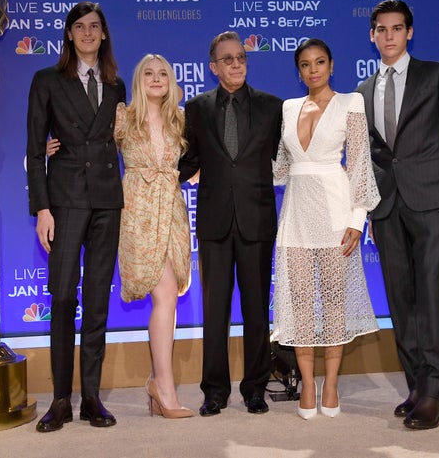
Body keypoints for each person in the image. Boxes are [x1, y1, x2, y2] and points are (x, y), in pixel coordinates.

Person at [355, 0, 439, 430]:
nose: (389, 35)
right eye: (381, 29)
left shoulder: (437, 73)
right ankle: (415, 385)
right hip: (387, 207)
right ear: (372, 35)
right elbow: (370, 157)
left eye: (397, 28)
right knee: (400, 300)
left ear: (409, 32)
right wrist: (369, 208)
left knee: (429, 297)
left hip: (432, 201)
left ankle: (433, 394)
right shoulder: (363, 90)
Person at [47, 54, 194, 419]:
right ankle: (164, 388)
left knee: (170, 294)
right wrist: (56, 145)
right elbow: (87, 141)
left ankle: (158, 384)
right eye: (149, 73)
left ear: (172, 81)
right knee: (163, 294)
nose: (156, 79)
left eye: (163, 73)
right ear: (138, 80)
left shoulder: (182, 119)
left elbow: (199, 158)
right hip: (135, 212)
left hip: (172, 209)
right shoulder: (123, 117)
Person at [26, 1, 125, 431]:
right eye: (79, 27)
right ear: (68, 34)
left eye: (95, 27)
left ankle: (91, 399)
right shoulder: (46, 80)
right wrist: (42, 208)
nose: (87, 33)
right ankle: (61, 401)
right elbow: (34, 147)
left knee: (98, 302)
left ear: (103, 35)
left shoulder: (117, 85)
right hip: (64, 201)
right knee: (64, 297)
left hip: (107, 201)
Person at [272, 38, 381, 419]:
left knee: (334, 302)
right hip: (295, 217)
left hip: (337, 213)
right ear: (299, 71)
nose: (313, 69)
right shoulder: (287, 109)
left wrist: (357, 220)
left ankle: (331, 384)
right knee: (299, 304)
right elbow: (281, 167)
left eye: (320, 62)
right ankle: (307, 384)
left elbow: (360, 165)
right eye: (305, 64)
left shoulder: (351, 103)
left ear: (331, 66)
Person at [179, 31, 283, 417]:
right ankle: (215, 390)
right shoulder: (196, 108)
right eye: (227, 59)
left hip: (257, 220)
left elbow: (286, 160)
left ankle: (255, 387)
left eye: (241, 57)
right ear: (213, 67)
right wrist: (150, 174)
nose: (236, 64)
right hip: (214, 223)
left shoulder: (273, 108)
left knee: (257, 310)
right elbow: (187, 163)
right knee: (216, 310)